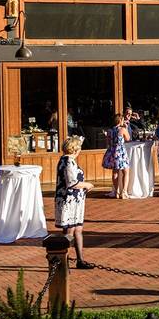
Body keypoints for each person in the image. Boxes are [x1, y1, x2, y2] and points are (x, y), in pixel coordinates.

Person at [54, 136, 95, 269]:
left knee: (78, 229)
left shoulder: (69, 160)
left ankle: (80, 260)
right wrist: (87, 185)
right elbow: (71, 183)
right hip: (68, 201)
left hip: (76, 201)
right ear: (75, 149)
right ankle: (62, 261)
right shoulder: (67, 162)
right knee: (69, 231)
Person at [102, 113, 131, 198]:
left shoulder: (110, 131)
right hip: (120, 152)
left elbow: (107, 142)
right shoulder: (122, 129)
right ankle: (124, 192)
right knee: (125, 171)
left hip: (112, 151)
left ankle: (116, 192)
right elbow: (128, 139)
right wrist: (126, 127)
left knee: (115, 172)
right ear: (120, 120)